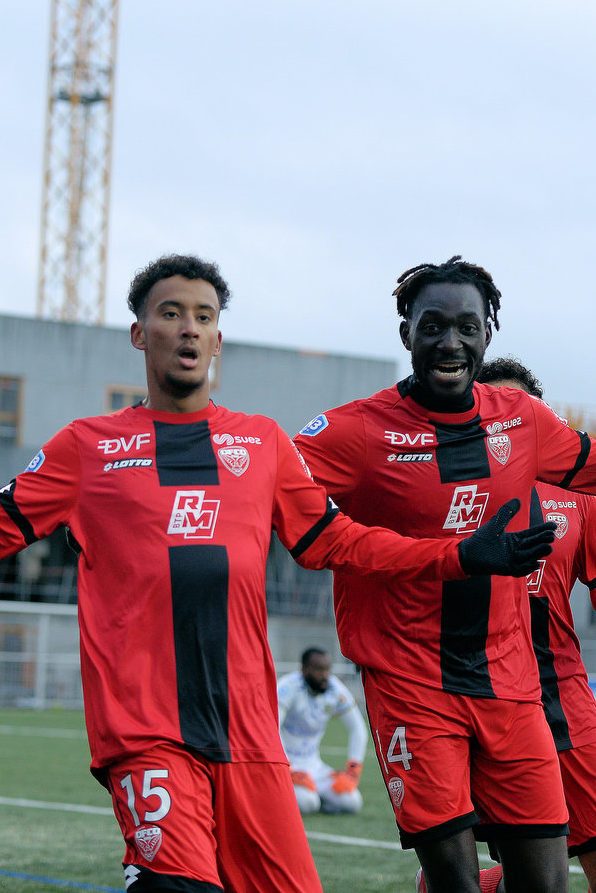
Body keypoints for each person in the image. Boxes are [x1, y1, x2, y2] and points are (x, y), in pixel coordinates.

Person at [0, 255, 554, 893]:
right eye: (170, 313)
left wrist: (456, 555)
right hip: (147, 733)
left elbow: (338, 542)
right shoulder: (85, 448)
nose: (187, 329)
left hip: (252, 739)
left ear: (217, 340)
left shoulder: (261, 445)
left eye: (202, 317)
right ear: (138, 333)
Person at [293, 255, 596, 893]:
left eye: (467, 327)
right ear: (406, 331)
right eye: (432, 326)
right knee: (454, 883)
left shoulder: (521, 417)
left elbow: (592, 467)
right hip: (411, 682)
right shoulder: (355, 431)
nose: (450, 343)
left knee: (544, 884)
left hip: (512, 683)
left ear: (489, 332)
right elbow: (268, 498)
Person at [471, 357, 596, 893]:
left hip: (564, 694)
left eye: (517, 408)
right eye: (488, 406)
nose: (502, 420)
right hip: (482, 696)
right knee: (535, 874)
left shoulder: (581, 501)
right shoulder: (451, 495)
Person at [277, 646, 367, 815]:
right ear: (304, 670)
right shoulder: (288, 687)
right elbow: (272, 726)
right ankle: (305, 797)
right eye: (319, 670)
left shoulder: (334, 689)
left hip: (315, 768)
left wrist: (353, 771)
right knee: (308, 803)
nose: (325, 675)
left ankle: (319, 798)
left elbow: (358, 729)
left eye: (327, 670)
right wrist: (287, 769)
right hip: (288, 768)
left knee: (352, 802)